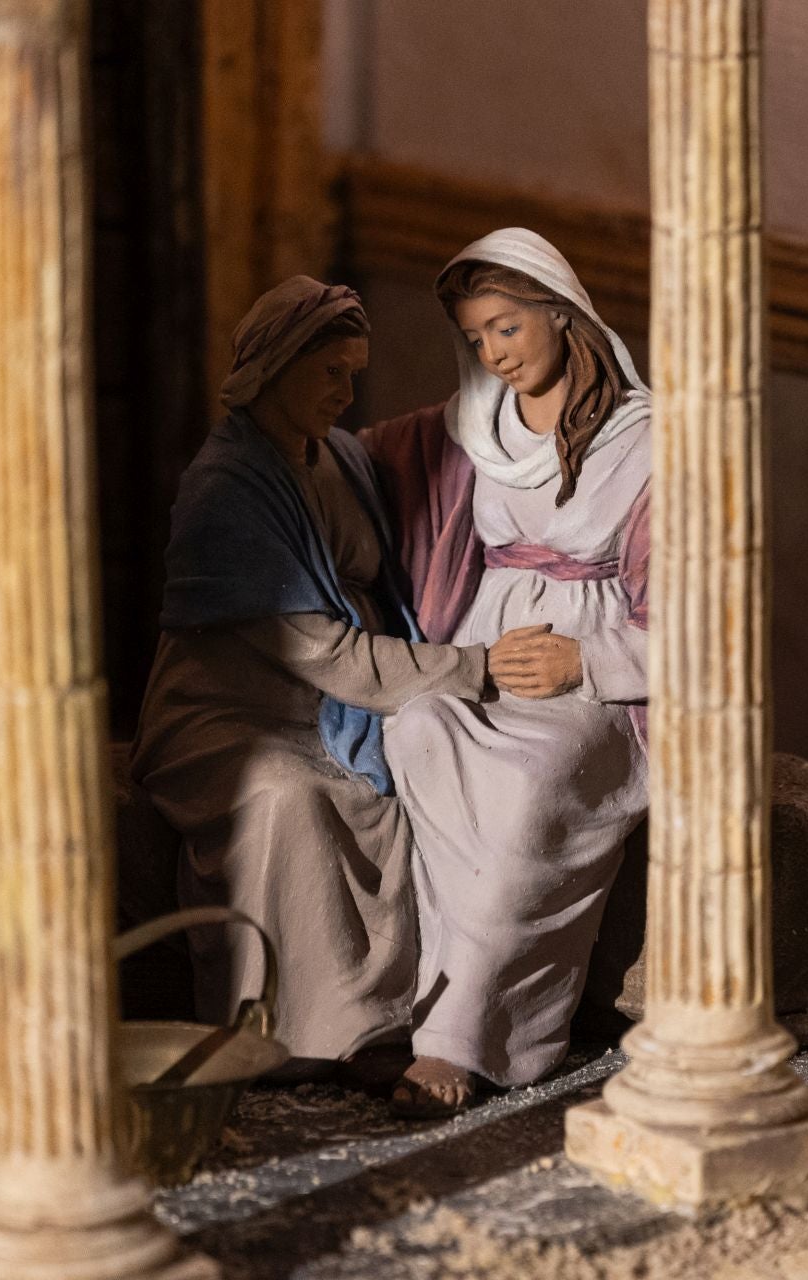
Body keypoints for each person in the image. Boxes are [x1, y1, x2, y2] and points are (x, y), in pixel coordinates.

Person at [132, 277, 488, 1070]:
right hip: (225, 713)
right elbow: (319, 650)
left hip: (327, 705)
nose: (346, 390)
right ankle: (284, 1032)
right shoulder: (225, 490)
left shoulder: (337, 459)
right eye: (330, 371)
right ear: (276, 366)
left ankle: (379, 1020)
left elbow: (421, 444)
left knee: (415, 777)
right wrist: (469, 668)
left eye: (354, 373)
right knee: (290, 799)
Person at [363, 228, 652, 1116]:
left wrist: (588, 660)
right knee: (415, 726)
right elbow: (350, 460)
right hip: (483, 658)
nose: (493, 353)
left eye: (507, 329)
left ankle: (469, 1041)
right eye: (477, 336)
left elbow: (711, 615)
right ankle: (445, 1010)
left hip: (594, 675)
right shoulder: (469, 427)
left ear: (561, 314)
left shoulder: (651, 443)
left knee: (533, 786)